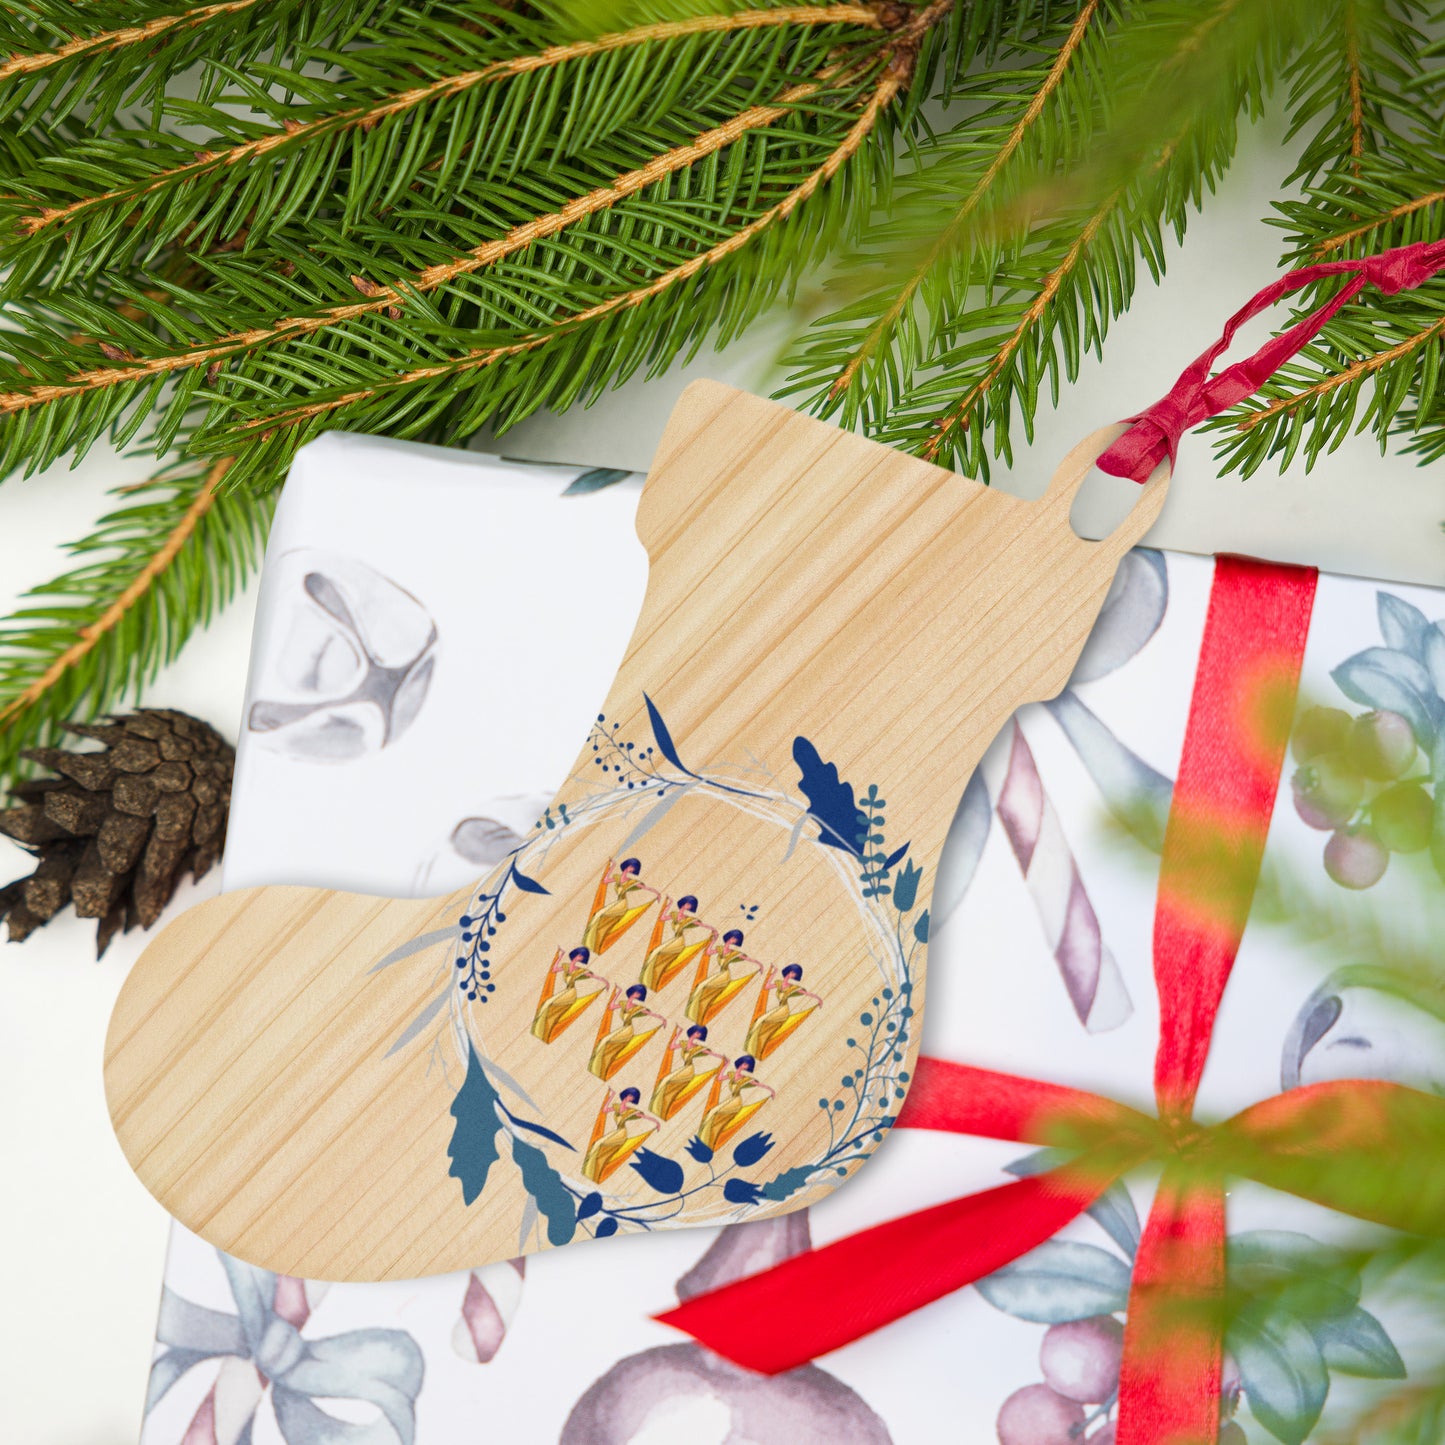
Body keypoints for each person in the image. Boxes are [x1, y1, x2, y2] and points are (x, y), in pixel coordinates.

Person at [684, 928, 762, 1027]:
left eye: (735, 940)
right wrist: (713, 941)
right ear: (729, 937)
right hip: (720, 974)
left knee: (702, 987)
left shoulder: (733, 953)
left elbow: (746, 958)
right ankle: (695, 1015)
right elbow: (708, 952)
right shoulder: (720, 949)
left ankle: (699, 1016)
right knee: (701, 989)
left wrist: (758, 964)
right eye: (733, 938)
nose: (733, 940)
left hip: (725, 976)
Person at [581, 1086, 659, 1185]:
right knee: (598, 1146)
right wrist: (612, 1095)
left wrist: (656, 1122)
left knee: (599, 1144)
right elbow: (604, 1110)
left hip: (621, 1134)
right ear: (626, 1094)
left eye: (632, 1097)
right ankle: (591, 1172)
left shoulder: (631, 1111)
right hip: (617, 1132)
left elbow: (644, 1116)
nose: (630, 1098)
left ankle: (592, 1172)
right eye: (630, 1095)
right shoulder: (617, 1106)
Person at [697, 1054, 775, 1153]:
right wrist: (726, 1064)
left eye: (747, 1065)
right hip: (731, 1100)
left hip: (736, 1102)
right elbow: (720, 1078)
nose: (745, 1066)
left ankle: (708, 1142)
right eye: (744, 1063)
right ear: (740, 1063)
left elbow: (758, 1084)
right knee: (711, 1114)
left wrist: (770, 1090)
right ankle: (706, 1140)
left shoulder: (745, 1079)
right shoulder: (732, 1075)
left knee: (715, 1114)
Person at [745, 963, 822, 1061]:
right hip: (778, 1009)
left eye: (794, 974)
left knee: (762, 1022)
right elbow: (767, 986)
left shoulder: (792, 987)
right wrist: (774, 973)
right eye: (791, 972)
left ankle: (757, 1051)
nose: (792, 975)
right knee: (761, 1026)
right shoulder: (779, 983)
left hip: (783, 1011)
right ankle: (755, 1051)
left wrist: (817, 998)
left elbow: (805, 993)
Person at [583, 857, 659, 955]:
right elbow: (605, 880)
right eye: (631, 867)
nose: (631, 869)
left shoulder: (631, 881)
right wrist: (613, 866)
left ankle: (595, 945)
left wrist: (656, 893)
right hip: (617, 903)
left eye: (633, 868)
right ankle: (592, 944)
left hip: (621, 905)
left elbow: (644, 887)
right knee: (598, 917)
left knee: (600, 916)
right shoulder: (617, 877)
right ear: (627, 866)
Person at [649, 1022, 724, 1120]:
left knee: (666, 1081)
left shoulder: (697, 1048)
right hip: (684, 1068)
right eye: (697, 1032)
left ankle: (661, 1109)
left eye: (699, 1034)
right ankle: (659, 1109)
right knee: (664, 1083)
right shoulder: (683, 1043)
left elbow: (711, 1053)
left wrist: (722, 1058)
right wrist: (678, 1033)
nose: (697, 1034)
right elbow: (671, 1046)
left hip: (688, 1070)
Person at [588, 982, 664, 1080]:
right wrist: (618, 993)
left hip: (628, 1031)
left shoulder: (637, 1008)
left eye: (638, 994)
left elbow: (650, 1013)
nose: (636, 994)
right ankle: (599, 1069)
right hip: (623, 1029)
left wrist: (661, 1018)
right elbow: (611, 1007)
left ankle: (600, 1070)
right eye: (635, 992)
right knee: (603, 1043)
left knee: (605, 1042)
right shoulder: (623, 1003)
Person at [639, 894, 713, 992]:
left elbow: (701, 924)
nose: (688, 906)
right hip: (674, 940)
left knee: (657, 953)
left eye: (690, 906)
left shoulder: (688, 919)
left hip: (679, 942)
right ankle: (649, 981)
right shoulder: (674, 914)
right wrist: (669, 904)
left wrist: (712, 929)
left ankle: (653, 982)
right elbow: (662, 918)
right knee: (654, 954)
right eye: (687, 904)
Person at [531, 945, 603, 1043]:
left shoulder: (579, 970)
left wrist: (603, 981)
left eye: (580, 957)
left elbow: (592, 975)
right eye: (578, 955)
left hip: (570, 993)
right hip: (566, 992)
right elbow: (554, 969)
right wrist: (561, 956)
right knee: (547, 1007)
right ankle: (542, 1032)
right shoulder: (566, 966)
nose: (578, 957)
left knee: (548, 1005)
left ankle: (542, 1032)